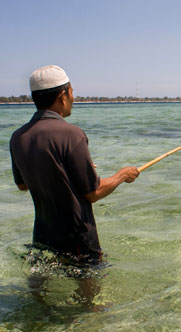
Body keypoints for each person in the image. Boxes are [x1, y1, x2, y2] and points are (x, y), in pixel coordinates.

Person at [10, 65, 139, 265]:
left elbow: (23, 185)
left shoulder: (18, 137)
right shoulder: (72, 134)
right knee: (87, 294)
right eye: (71, 92)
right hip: (78, 240)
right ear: (63, 94)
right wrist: (122, 175)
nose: (73, 98)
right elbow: (93, 193)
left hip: (42, 236)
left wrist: (65, 171)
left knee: (40, 293)